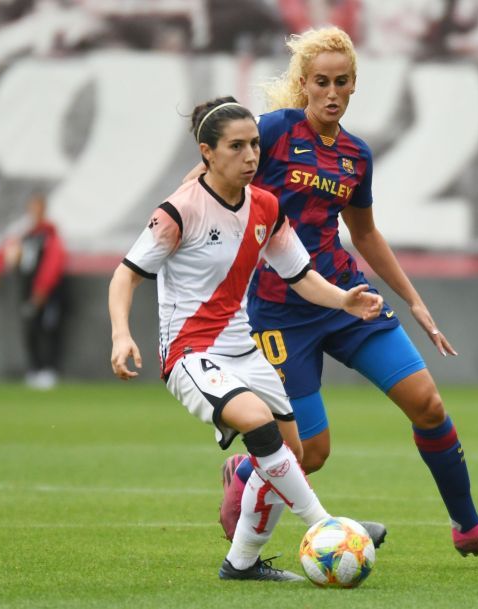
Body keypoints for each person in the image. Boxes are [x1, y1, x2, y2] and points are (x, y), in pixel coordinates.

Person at [201, 27, 478, 563]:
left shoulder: (355, 155)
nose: (331, 92)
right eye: (320, 82)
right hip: (280, 314)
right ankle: (244, 468)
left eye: (342, 82)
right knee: (308, 454)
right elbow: (216, 172)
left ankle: (469, 527)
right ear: (303, 84)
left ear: (354, 85)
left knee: (427, 404)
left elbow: (366, 233)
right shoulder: (277, 131)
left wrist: (414, 301)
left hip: (345, 299)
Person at [108, 96, 385, 581]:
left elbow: (300, 275)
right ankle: (327, 526)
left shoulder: (266, 205)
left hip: (244, 348)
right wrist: (120, 335)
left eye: (255, 144)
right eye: (237, 146)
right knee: (259, 425)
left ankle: (241, 564)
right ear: (207, 152)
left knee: (291, 455)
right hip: (191, 353)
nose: (251, 156)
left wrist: (344, 300)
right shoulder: (178, 210)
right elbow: (124, 276)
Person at [0, 193, 66, 390]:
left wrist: (43, 289)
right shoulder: (25, 235)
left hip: (48, 293)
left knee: (49, 329)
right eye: (32, 208)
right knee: (31, 329)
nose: (35, 212)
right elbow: (7, 250)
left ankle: (48, 370)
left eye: (38, 208)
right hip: (28, 289)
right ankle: (35, 369)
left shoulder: (49, 235)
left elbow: (54, 262)